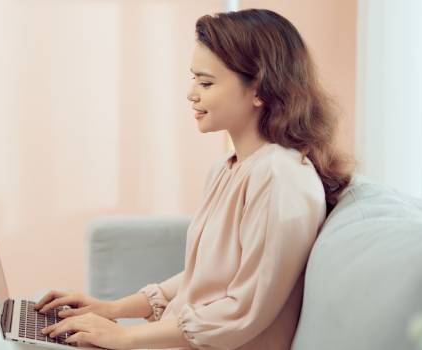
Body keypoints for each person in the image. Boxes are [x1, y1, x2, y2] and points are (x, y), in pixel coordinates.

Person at [36, 8, 354, 350]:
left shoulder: (280, 179)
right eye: (194, 79)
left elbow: (244, 312)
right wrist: (111, 308)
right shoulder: (229, 167)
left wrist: (125, 336)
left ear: (259, 90)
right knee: (24, 334)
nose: (191, 93)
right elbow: (203, 278)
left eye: (206, 82)